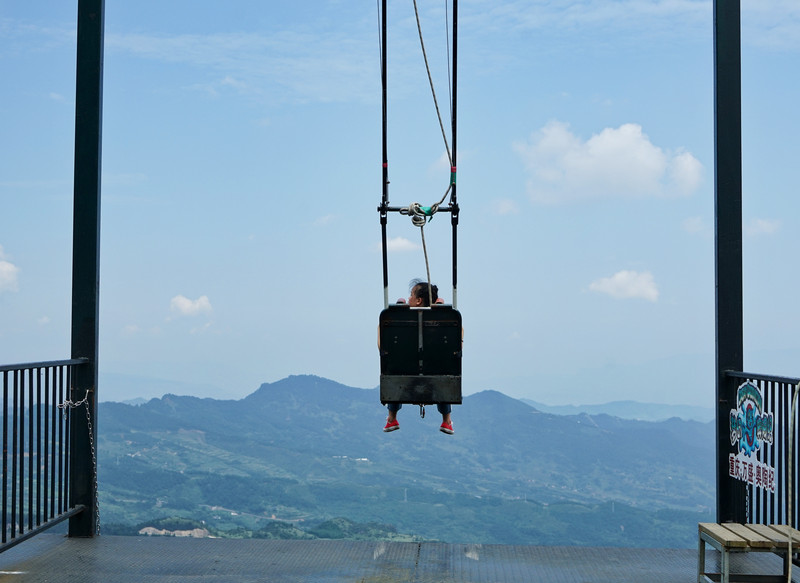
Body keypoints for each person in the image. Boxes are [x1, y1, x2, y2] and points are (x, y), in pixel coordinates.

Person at [383, 279, 455, 435]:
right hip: (435, 372)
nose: (408, 299)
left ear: (418, 301)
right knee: (444, 368)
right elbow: (457, 346)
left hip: (404, 371)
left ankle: (391, 417)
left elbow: (383, 347)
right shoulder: (446, 323)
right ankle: (447, 420)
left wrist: (386, 320)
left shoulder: (399, 323)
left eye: (411, 296)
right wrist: (443, 313)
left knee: (394, 367)